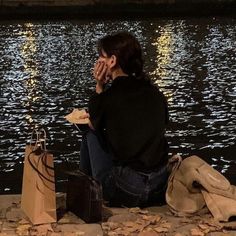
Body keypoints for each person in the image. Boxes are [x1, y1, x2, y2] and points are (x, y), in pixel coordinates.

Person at [79, 31, 170, 207]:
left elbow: (95, 121)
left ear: (112, 61)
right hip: (159, 186)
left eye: (101, 56)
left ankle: (84, 194)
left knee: (89, 131)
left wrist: (99, 85)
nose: (98, 61)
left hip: (129, 188)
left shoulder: (109, 96)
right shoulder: (155, 93)